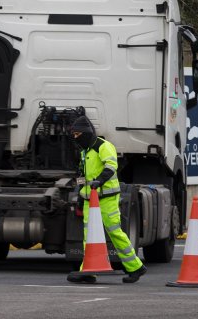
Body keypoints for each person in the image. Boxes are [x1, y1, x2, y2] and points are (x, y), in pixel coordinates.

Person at [66, 116, 147, 284]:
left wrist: (99, 181)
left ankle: (136, 267)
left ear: (86, 133)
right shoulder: (85, 152)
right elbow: (83, 176)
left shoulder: (103, 146)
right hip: (90, 200)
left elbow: (111, 166)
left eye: (77, 134)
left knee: (114, 232)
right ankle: (87, 270)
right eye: (73, 135)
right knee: (88, 236)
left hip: (107, 198)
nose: (75, 138)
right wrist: (81, 194)